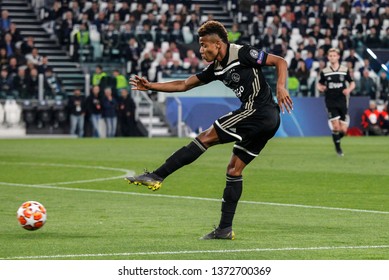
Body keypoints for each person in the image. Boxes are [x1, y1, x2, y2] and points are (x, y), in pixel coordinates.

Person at [126, 20, 293, 240]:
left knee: (205, 137)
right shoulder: (215, 68)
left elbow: (280, 61)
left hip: (258, 111)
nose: (201, 50)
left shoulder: (242, 53)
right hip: (264, 120)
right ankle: (224, 229)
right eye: (201, 46)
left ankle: (157, 175)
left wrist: (281, 87)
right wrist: (151, 86)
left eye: (205, 45)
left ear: (218, 44)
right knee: (234, 170)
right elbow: (184, 84)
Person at [317, 48, 356, 156]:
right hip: (330, 101)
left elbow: (352, 83)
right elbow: (319, 84)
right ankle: (338, 149)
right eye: (330, 56)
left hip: (343, 101)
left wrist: (348, 89)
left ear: (338, 57)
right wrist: (320, 88)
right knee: (336, 127)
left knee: (343, 130)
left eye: (334, 55)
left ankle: (336, 138)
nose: (332, 57)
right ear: (328, 57)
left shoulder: (344, 69)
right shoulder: (325, 71)